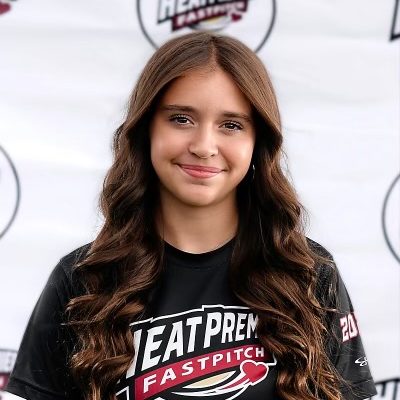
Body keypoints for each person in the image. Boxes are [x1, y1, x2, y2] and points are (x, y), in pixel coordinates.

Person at [6, 32, 376, 400]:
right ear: (147, 128)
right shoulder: (82, 281)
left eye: (231, 125)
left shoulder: (309, 274)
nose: (203, 147)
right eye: (181, 119)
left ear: (257, 141)